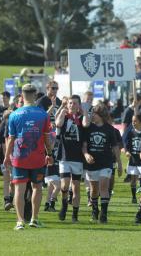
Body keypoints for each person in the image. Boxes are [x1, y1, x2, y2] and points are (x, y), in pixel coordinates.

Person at [4, 84, 53, 230]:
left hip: (19, 157)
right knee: (37, 187)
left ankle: (20, 221)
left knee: (19, 189)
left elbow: (11, 139)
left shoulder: (14, 114)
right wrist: (49, 154)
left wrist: (7, 157)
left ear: (22, 95)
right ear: (35, 94)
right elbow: (46, 139)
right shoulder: (43, 114)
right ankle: (34, 218)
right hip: (37, 158)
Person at [83, 103, 122, 224]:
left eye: (94, 113)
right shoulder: (89, 128)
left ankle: (104, 214)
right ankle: (95, 211)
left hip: (106, 162)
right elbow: (84, 145)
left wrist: (119, 163)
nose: (92, 115)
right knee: (94, 190)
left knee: (104, 187)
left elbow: (115, 147)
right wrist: (86, 154)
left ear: (100, 115)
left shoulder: (110, 129)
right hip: (92, 163)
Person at [55, 95, 90, 223]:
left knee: (76, 187)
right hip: (64, 156)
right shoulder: (64, 117)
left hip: (77, 158)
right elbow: (58, 124)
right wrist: (62, 112)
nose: (72, 105)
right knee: (64, 185)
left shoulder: (81, 118)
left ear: (78, 105)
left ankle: (75, 214)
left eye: (75, 103)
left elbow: (86, 124)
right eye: (70, 103)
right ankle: (64, 205)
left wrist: (84, 112)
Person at [125, 114, 141, 203]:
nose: (133, 123)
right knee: (133, 179)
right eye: (132, 121)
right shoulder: (131, 132)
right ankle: (133, 197)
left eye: (135, 121)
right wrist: (127, 151)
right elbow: (127, 145)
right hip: (133, 160)